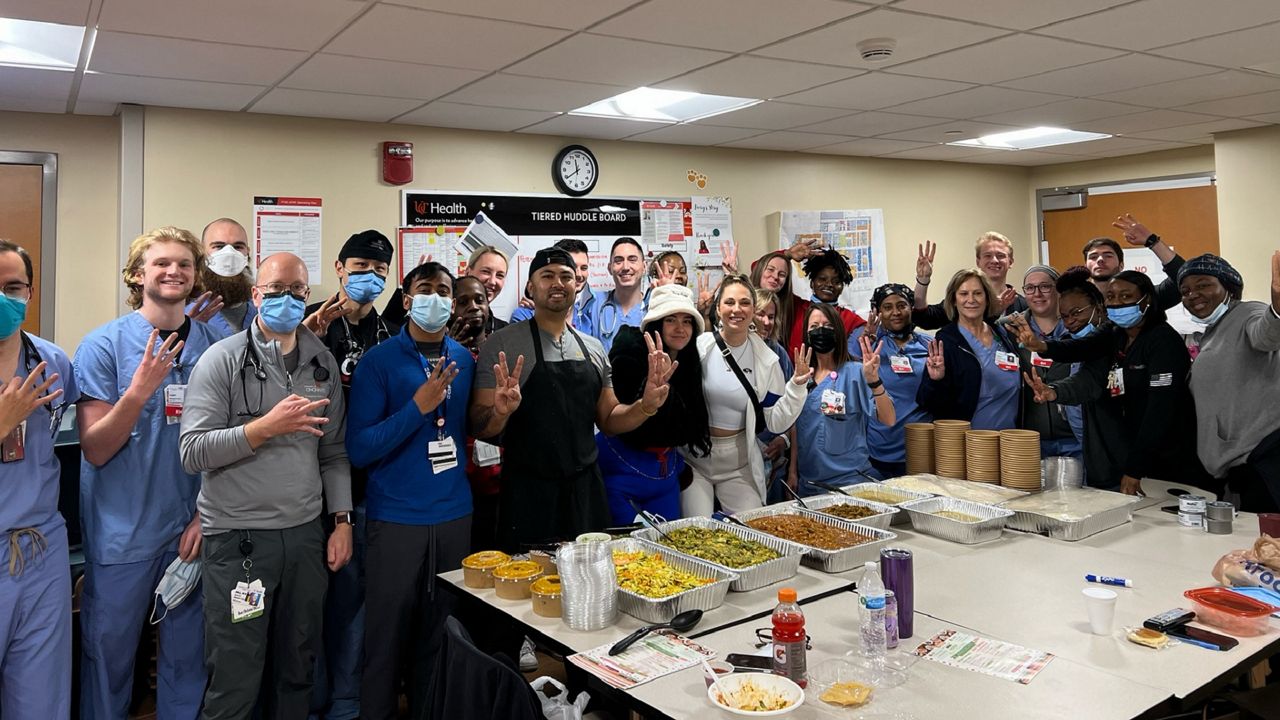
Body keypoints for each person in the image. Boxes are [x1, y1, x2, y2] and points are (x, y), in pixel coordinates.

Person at [179, 252, 352, 718]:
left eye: (297, 292)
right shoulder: (222, 360)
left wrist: (342, 521)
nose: (287, 300)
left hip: (303, 536)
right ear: (256, 296)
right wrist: (263, 428)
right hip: (239, 539)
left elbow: (333, 453)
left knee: (297, 668)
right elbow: (192, 451)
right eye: (274, 291)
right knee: (235, 676)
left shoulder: (322, 364)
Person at [74, 227, 219, 720]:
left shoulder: (217, 346)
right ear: (139, 275)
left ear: (196, 275)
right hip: (122, 535)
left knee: (188, 662)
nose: (173, 271)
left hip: (190, 531)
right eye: (161, 263)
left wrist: (207, 517)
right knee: (108, 660)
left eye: (184, 263)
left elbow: (230, 445)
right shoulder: (103, 346)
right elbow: (95, 449)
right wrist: (138, 392)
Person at [470, 247, 675, 550]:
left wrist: (645, 406)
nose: (558, 283)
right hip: (528, 492)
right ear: (530, 286)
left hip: (585, 490)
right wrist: (500, 412)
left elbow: (608, 420)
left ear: (576, 285)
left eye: (566, 276)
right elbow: (479, 426)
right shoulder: (503, 345)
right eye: (547, 276)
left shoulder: (592, 348)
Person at [347, 261, 476, 720]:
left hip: (454, 514)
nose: (436, 298)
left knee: (441, 635)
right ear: (407, 300)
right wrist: (417, 409)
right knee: (384, 639)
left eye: (445, 291)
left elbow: (468, 431)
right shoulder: (377, 363)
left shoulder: (462, 358)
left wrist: (499, 413)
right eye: (426, 289)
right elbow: (359, 449)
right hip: (397, 518)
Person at [302, 229, 394, 720]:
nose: (369, 277)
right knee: (306, 604)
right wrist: (306, 339)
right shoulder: (306, 320)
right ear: (339, 268)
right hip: (300, 484)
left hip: (362, 486)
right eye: (360, 267)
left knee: (352, 600)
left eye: (379, 270)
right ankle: (309, 699)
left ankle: (344, 700)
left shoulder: (388, 332)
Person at [1015, 270, 1208, 495]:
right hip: (1123, 454)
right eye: (1112, 297)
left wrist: (1135, 469)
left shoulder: (1162, 342)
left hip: (1166, 457)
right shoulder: (1116, 334)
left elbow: (1160, 411)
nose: (1117, 303)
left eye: (1126, 297)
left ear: (1146, 299)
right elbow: (1083, 352)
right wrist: (1043, 352)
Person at [0, 240, 76, 720]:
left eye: (12, 287)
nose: (3, 298)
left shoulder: (51, 364)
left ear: (29, 292)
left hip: (38, 550)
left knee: (41, 702)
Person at [682, 275, 811, 517]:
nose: (736, 309)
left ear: (753, 310)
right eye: (729, 302)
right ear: (718, 308)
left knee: (752, 529)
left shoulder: (767, 360)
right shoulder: (700, 347)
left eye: (744, 303)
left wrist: (797, 387)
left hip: (739, 463)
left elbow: (776, 421)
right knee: (694, 529)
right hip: (695, 459)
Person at [596, 284, 711, 525]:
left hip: (664, 472)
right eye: (671, 320)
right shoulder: (629, 356)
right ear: (656, 323)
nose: (680, 329)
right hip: (621, 469)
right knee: (629, 551)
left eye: (687, 321)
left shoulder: (689, 361)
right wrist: (646, 398)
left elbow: (687, 422)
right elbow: (617, 418)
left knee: (668, 547)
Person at [1178, 253, 1280, 511]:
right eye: (1186, 290)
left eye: (1203, 285)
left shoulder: (1248, 312)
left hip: (1266, 459)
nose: (1192, 294)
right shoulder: (1212, 332)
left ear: (1229, 289)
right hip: (1238, 469)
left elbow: (1266, 336)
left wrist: (1278, 308)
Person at [794, 303, 894, 495]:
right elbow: (797, 427)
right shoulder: (801, 376)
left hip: (849, 482)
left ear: (838, 331)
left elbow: (889, 418)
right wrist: (793, 473)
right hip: (809, 484)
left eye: (827, 326)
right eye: (814, 327)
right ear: (806, 335)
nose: (820, 331)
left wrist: (874, 381)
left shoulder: (855, 373)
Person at [917, 269, 1021, 430]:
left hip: (1010, 442)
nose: (971, 300)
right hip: (968, 444)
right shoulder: (946, 341)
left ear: (987, 298)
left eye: (978, 293)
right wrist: (935, 381)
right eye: (964, 294)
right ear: (953, 300)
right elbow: (928, 403)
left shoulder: (1000, 332)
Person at [849, 283, 932, 478]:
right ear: (877, 312)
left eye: (902, 305)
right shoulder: (867, 343)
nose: (896, 312)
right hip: (880, 447)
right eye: (887, 307)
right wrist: (867, 336)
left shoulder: (928, 344)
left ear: (911, 308)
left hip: (921, 446)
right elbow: (850, 362)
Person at [999, 265, 1081, 458]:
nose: (1037, 294)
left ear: (1058, 290)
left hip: (1076, 438)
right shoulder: (1008, 329)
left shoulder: (1079, 327)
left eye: (1045, 286)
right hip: (1029, 439)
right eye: (1030, 288)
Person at [449, 275, 503, 550]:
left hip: (499, 475)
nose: (474, 307)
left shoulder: (500, 349)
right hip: (458, 476)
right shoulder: (442, 351)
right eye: (463, 302)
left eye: (479, 300)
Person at [912, 234, 1029, 330]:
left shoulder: (1024, 306)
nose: (994, 260)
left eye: (1000, 255)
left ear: (1011, 261)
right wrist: (923, 279)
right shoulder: (964, 302)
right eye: (987, 255)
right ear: (978, 261)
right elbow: (924, 319)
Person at [1086, 213, 1186, 309]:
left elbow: (1182, 279)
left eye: (1108, 256)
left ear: (1121, 265)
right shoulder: (1076, 302)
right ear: (1086, 266)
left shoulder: (1143, 299)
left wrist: (1152, 241)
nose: (1100, 260)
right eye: (1093, 257)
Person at [753, 288, 795, 501]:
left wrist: (783, 439)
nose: (767, 322)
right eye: (760, 314)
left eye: (771, 316)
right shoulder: (731, 350)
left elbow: (791, 406)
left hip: (774, 455)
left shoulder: (779, 354)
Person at [787, 248, 866, 353]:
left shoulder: (850, 319)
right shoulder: (794, 307)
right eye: (822, 279)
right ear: (812, 283)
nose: (829, 284)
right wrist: (787, 254)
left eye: (836, 281)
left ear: (842, 288)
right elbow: (759, 278)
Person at [510, 239, 595, 332]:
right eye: (572, 267)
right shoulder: (524, 316)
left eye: (584, 268)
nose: (578, 274)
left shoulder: (585, 319)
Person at [190, 218, 255, 337]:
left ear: (247, 253)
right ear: (202, 252)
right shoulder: (185, 310)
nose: (230, 253)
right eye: (219, 246)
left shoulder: (261, 309)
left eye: (238, 247)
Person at [589, 237, 647, 352]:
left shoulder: (653, 307)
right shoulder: (593, 303)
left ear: (644, 267)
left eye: (632, 260)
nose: (625, 267)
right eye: (618, 261)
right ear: (610, 268)